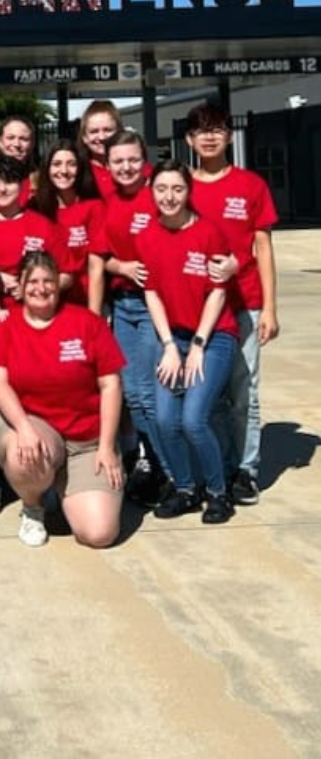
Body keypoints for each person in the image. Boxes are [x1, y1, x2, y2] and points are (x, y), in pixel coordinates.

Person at [0, 251, 126, 549]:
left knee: (98, 534)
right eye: (31, 281)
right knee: (25, 457)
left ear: (59, 284)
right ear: (19, 287)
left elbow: (111, 384)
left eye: (48, 280)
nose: (40, 287)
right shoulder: (2, 323)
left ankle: (65, 489)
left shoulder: (86, 322)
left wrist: (107, 446)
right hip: (35, 425)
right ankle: (33, 507)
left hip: (86, 438)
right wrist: (23, 427)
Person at [184, 101, 279, 505]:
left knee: (245, 393)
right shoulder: (180, 186)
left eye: (217, 129)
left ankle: (246, 469)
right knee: (210, 396)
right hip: (195, 310)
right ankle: (218, 465)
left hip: (245, 304)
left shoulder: (250, 185)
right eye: (202, 130)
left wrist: (270, 309)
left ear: (229, 135)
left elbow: (263, 247)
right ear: (189, 138)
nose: (209, 136)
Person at [136, 161, 239, 524]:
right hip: (173, 337)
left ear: (188, 191)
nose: (169, 196)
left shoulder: (209, 233)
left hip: (212, 338)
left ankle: (217, 492)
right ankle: (185, 488)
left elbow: (218, 293)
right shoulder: (147, 236)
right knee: (165, 420)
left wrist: (196, 345)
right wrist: (168, 346)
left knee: (194, 420)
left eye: (177, 189)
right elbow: (152, 295)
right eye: (162, 188)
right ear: (151, 191)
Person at [90, 129, 168, 505]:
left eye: (132, 160)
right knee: (132, 394)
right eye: (118, 161)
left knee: (151, 395)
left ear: (144, 160)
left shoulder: (160, 194)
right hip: (124, 306)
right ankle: (154, 465)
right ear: (108, 165)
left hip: (159, 307)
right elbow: (101, 256)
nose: (126, 167)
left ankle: (168, 470)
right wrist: (122, 265)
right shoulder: (107, 202)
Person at [0, 154, 69, 322]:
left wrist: (33, 285)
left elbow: (67, 275)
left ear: (21, 185)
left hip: (36, 319)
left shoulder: (43, 225)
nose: (2, 189)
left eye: (9, 182)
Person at [30, 140, 105, 310]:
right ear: (47, 169)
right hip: (44, 302)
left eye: (71, 164)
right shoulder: (36, 208)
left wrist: (93, 315)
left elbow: (96, 267)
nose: (63, 171)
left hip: (83, 300)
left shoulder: (93, 207)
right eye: (56, 164)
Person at [77, 100, 125, 199]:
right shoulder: (77, 172)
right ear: (84, 137)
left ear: (120, 132)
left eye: (107, 130)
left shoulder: (139, 170)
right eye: (94, 131)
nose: (102, 137)